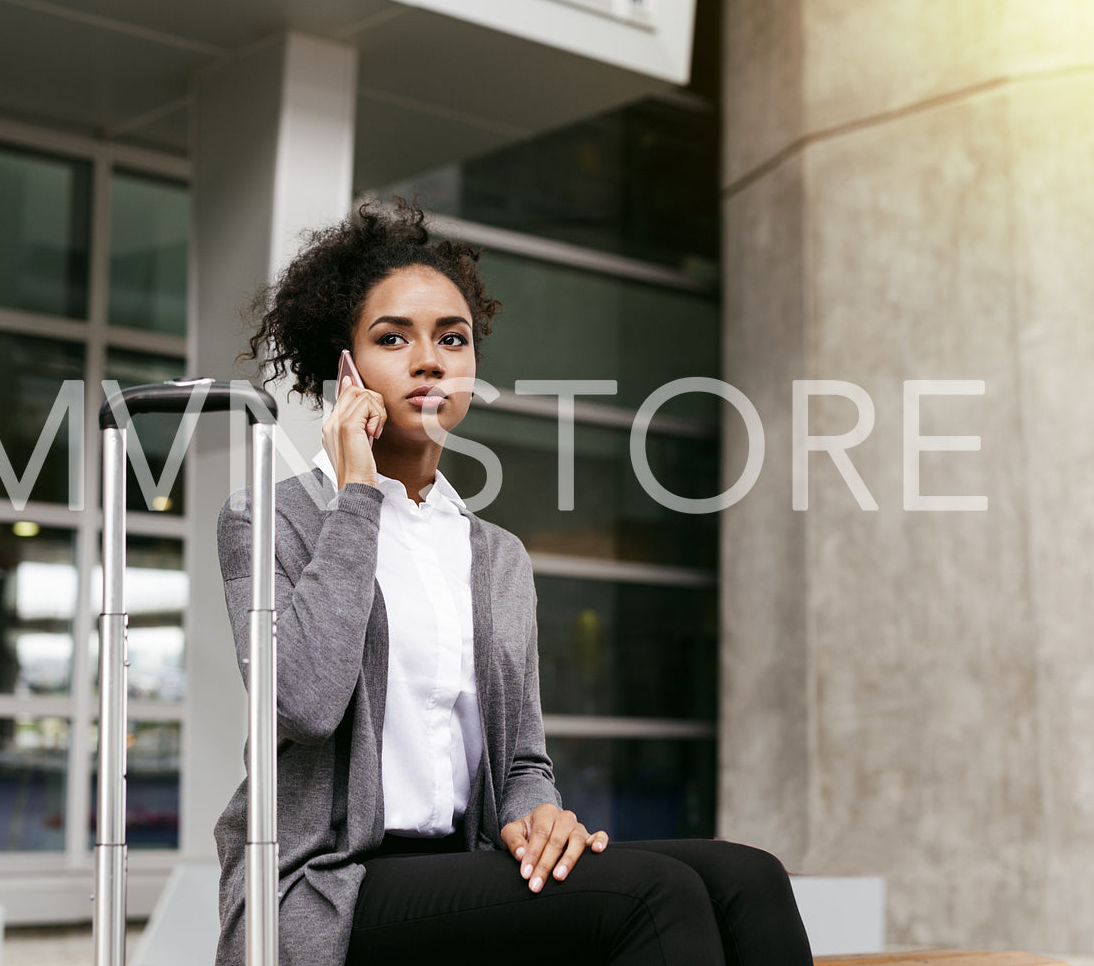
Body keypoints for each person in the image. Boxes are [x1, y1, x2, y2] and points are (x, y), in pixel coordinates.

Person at [212, 197, 813, 966]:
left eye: (451, 339)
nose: (429, 360)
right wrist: (356, 496)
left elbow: (523, 759)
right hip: (328, 888)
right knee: (653, 895)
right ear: (344, 369)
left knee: (744, 876)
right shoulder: (269, 518)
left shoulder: (494, 552)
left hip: (462, 870)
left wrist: (539, 813)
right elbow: (301, 703)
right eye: (392, 338)